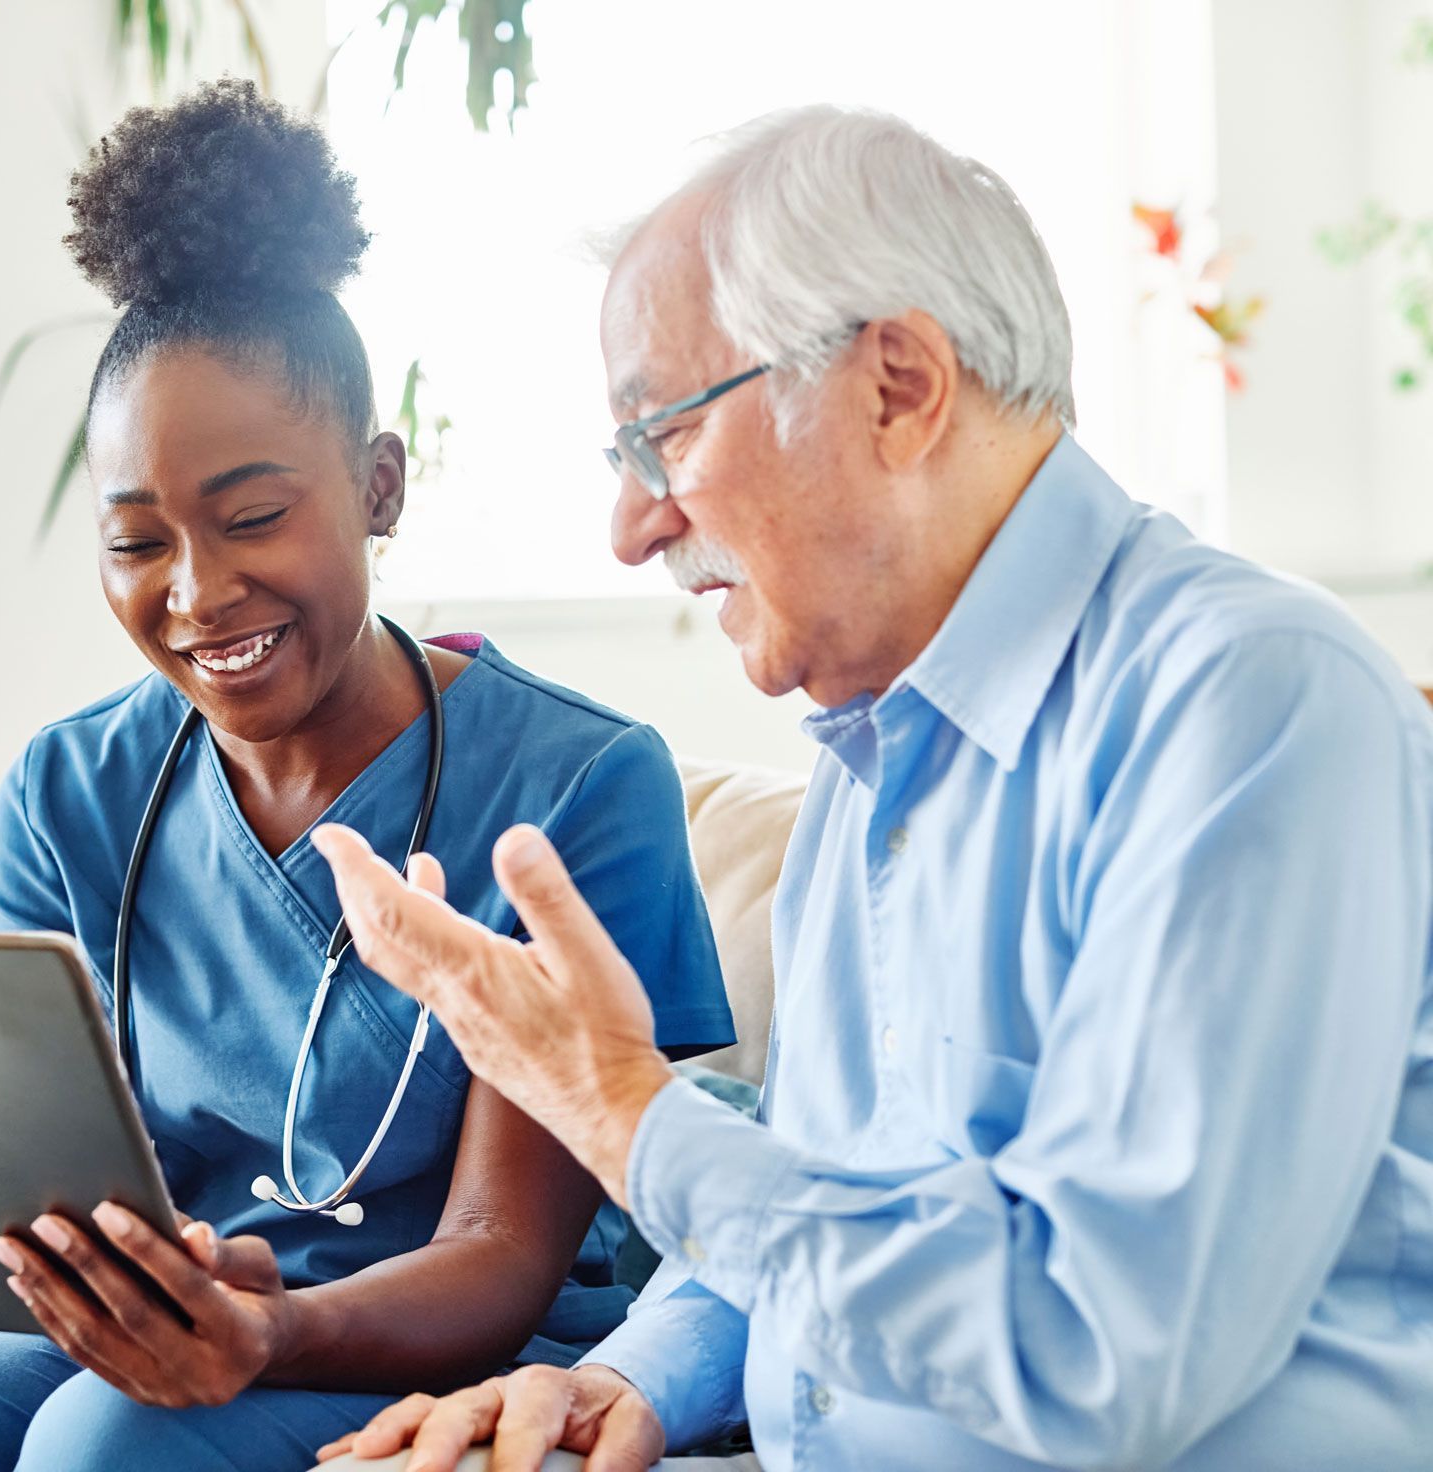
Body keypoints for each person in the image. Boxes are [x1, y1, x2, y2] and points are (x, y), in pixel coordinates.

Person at [311, 105, 1433, 1471]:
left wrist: (622, 1107)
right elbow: (815, 1213)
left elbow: (1105, 1355)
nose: (633, 525)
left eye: (660, 437)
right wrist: (632, 1380)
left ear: (896, 384)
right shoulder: (868, 755)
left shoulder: (1252, 705)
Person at [0, 79, 735, 1472]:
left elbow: (502, 1253)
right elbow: (45, 1188)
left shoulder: (579, 784)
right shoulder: (69, 795)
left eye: (254, 518)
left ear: (381, 489)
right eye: (136, 541)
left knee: (108, 1447)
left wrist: (267, 1335)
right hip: (187, 1317)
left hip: (470, 1335)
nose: (198, 592)